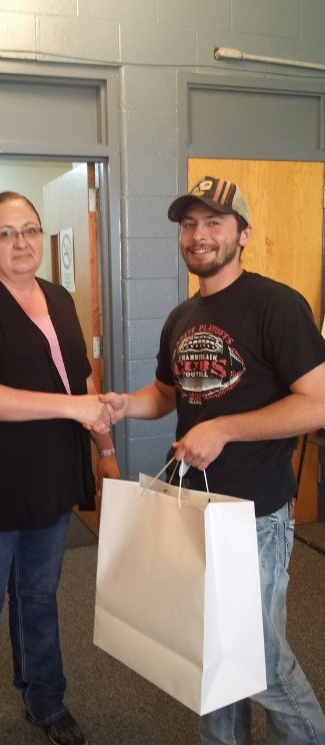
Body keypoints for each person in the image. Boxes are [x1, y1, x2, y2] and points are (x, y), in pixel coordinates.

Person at [102, 176, 325, 744]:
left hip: (253, 515)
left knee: (260, 664)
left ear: (243, 235)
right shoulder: (181, 316)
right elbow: (169, 394)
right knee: (210, 656)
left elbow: (317, 404)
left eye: (214, 223)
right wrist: (126, 404)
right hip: (195, 509)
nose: (199, 235)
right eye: (189, 224)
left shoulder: (277, 304)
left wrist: (223, 429)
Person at [0, 191, 119, 745]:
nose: (21, 242)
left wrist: (105, 452)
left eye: (30, 229)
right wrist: (73, 408)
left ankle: (46, 702)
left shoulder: (59, 298)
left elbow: (82, 380)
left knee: (38, 600)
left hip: (48, 484)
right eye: (6, 233)